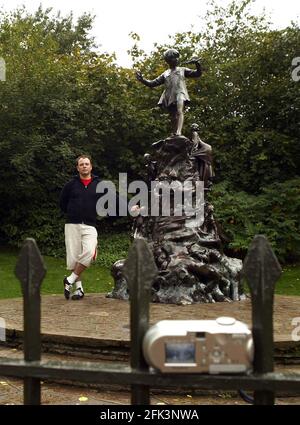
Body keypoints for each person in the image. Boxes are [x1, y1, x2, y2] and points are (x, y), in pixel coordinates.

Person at [59, 155, 101, 300]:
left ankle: (69, 280)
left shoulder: (99, 184)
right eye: (81, 164)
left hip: (90, 225)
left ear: (91, 166)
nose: (84, 166)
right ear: (78, 168)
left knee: (89, 252)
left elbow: (113, 199)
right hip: (72, 224)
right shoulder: (70, 185)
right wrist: (73, 212)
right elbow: (62, 203)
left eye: (86, 164)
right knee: (73, 257)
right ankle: (79, 289)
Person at [136, 49, 202, 136]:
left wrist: (197, 64)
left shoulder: (182, 70)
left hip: (180, 92)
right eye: (175, 58)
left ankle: (179, 132)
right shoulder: (165, 74)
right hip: (169, 96)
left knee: (179, 111)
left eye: (177, 58)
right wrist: (142, 80)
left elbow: (197, 73)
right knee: (173, 116)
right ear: (169, 60)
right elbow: (152, 83)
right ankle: (174, 132)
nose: (177, 59)